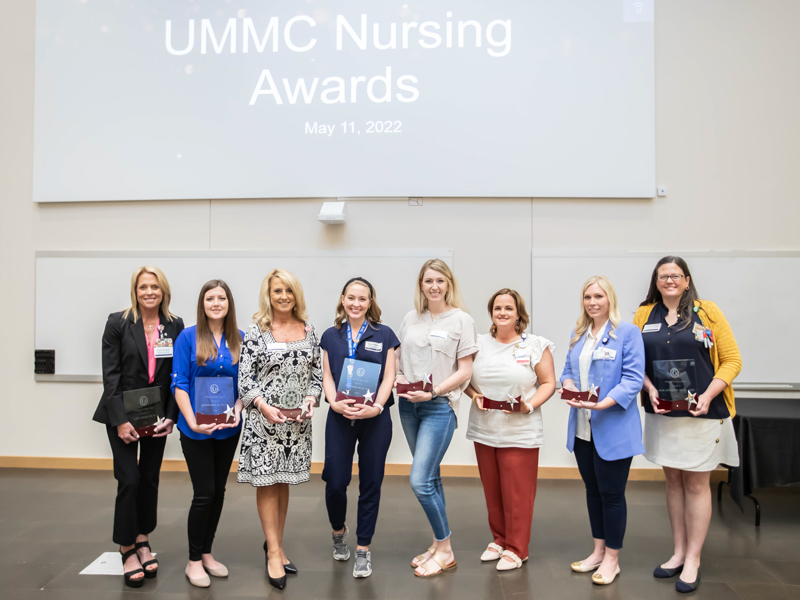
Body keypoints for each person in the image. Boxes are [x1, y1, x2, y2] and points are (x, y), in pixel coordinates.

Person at [633, 256, 741, 593]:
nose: (669, 280)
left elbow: (732, 360)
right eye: (663, 275)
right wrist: (648, 389)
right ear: (656, 280)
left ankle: (693, 558)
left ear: (686, 279)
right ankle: (678, 551)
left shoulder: (707, 311)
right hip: (662, 413)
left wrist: (708, 395)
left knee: (696, 484)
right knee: (673, 481)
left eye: (675, 275)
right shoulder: (643, 314)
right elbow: (635, 362)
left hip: (702, 412)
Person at [93, 266, 184, 588]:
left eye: (155, 287)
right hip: (122, 415)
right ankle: (126, 546)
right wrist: (119, 420)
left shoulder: (174, 325)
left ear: (164, 292)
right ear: (135, 290)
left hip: (157, 415)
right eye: (144, 286)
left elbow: (177, 375)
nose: (149, 292)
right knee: (129, 479)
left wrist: (172, 416)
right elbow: (111, 374)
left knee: (149, 478)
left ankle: (143, 537)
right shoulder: (118, 323)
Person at [237, 269, 323, 590]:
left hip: (296, 426)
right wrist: (262, 405)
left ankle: (277, 543)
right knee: (267, 484)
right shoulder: (256, 331)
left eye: (288, 290)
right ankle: (273, 552)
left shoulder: (310, 330)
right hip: (264, 424)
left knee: (283, 483)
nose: (283, 296)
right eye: (277, 291)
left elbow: (317, 376)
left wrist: (313, 398)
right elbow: (245, 379)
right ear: (268, 295)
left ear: (296, 294)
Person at [560, 276, 644, 586]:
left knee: (611, 495)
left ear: (610, 299)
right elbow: (568, 371)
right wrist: (568, 387)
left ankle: (612, 558)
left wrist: (602, 404)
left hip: (613, 427)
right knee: (592, 491)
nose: (593, 302)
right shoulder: (579, 333)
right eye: (587, 297)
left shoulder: (627, 333)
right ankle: (597, 551)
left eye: (599, 296)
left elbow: (633, 380)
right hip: (583, 429)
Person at [396, 258, 478, 578]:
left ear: (449, 285)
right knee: (431, 477)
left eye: (440, 281)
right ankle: (436, 544)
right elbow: (400, 360)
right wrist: (399, 381)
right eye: (428, 280)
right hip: (408, 406)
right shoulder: (411, 318)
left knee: (419, 480)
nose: (434, 286)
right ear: (421, 285)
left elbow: (466, 370)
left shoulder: (462, 320)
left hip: (439, 407)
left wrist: (433, 392)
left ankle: (446, 550)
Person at [464, 289, 556, 571]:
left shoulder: (535, 345)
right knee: (492, 490)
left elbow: (548, 383)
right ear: (491, 312)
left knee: (517, 492)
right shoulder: (478, 343)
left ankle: (518, 548)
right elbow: (463, 376)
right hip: (485, 427)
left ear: (519, 314)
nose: (502, 312)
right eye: (497, 308)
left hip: (520, 430)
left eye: (508, 308)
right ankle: (500, 539)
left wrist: (528, 406)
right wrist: (472, 395)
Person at [319, 277, 400, 578]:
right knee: (336, 482)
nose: (356, 303)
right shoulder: (331, 336)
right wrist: (333, 402)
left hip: (375, 420)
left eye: (362, 299)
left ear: (370, 302)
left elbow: (390, 376)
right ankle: (338, 530)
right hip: (339, 417)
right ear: (343, 299)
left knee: (371, 484)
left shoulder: (385, 334)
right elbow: (327, 375)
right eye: (351, 298)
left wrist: (377, 407)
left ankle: (363, 549)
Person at [172, 280, 244, 588]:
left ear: (229, 303)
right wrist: (192, 420)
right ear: (202, 303)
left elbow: (246, 384)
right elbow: (180, 383)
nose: (216, 303)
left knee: (218, 491)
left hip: (228, 428)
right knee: (203, 494)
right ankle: (193, 561)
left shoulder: (240, 338)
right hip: (196, 429)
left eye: (221, 298)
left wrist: (239, 409)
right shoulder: (188, 337)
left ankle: (207, 552)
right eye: (210, 298)